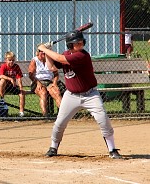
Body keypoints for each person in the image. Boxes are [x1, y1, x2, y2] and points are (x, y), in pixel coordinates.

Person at [38, 30, 122, 159]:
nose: (81, 44)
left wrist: (44, 48)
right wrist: (47, 52)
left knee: (103, 120)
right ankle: (53, 147)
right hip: (71, 95)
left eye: (82, 41)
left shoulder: (82, 56)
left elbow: (60, 58)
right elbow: (51, 67)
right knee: (60, 123)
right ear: (70, 45)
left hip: (90, 94)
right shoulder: (66, 54)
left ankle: (112, 150)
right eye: (77, 42)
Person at [28, 45, 62, 116]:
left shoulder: (50, 60)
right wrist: (38, 83)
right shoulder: (34, 60)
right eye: (41, 51)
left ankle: (63, 115)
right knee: (43, 93)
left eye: (45, 51)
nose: (43, 53)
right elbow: (31, 75)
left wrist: (54, 83)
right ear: (38, 52)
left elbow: (56, 74)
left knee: (56, 92)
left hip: (49, 82)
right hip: (37, 82)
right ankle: (45, 115)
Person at [0, 51, 25, 117]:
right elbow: (1, 76)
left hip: (12, 86)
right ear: (6, 60)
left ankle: (21, 112)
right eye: (9, 60)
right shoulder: (4, 66)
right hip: (4, 87)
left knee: (22, 94)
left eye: (13, 60)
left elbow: (19, 78)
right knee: (2, 81)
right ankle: (2, 99)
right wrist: (10, 79)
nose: (11, 62)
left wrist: (21, 88)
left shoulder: (16, 66)